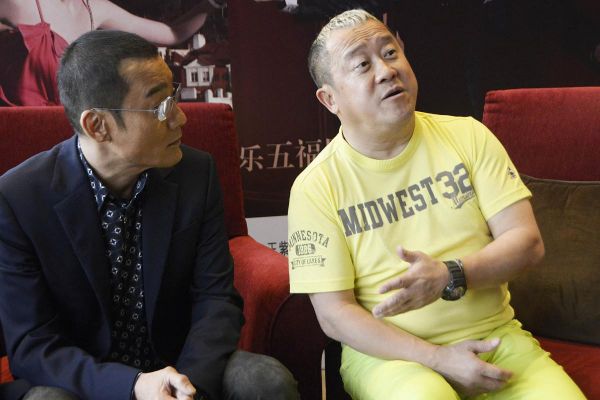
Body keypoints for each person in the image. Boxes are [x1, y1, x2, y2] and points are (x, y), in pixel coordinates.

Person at [287, 9, 586, 400]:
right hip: (389, 359)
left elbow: (527, 243)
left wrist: (451, 274)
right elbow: (334, 314)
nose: (386, 71)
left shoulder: (468, 136)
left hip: (495, 337)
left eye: (390, 53)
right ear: (330, 100)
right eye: (362, 65)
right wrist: (438, 358)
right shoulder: (315, 187)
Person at [0, 29, 299, 400]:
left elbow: (216, 299)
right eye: (160, 107)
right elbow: (32, 344)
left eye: (173, 98)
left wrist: (183, 388)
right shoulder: (19, 198)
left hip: (181, 365)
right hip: (88, 381)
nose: (180, 119)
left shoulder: (195, 174)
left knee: (264, 380)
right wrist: (132, 386)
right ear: (98, 126)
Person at [0, 0, 218, 106]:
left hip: (68, 140)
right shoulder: (19, 3)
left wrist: (211, 4)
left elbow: (173, 33)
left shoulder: (94, 8)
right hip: (16, 134)